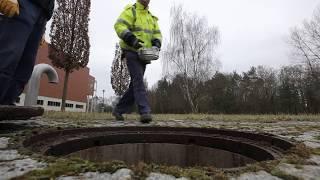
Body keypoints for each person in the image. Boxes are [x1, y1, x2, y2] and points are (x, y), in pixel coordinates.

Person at [113, 0, 162, 123]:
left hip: (144, 55)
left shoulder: (151, 18)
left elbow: (157, 34)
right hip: (131, 51)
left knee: (135, 84)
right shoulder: (131, 11)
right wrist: (131, 39)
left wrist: (156, 43)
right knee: (139, 80)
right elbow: (119, 26)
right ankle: (145, 111)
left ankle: (119, 109)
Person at [0, 0, 55, 105]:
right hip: (23, 4)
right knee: (7, 56)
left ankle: (6, 104)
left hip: (42, 13)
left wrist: (42, 29)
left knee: (24, 68)